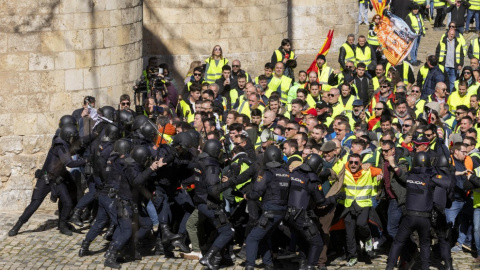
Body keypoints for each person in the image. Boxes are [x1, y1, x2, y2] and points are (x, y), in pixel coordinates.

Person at [8, 124, 86, 237]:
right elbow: (69, 163)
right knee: (34, 204)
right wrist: (85, 161)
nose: (73, 140)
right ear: (67, 136)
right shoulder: (60, 146)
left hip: (57, 180)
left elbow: (75, 148)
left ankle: (62, 225)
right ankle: (17, 226)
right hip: (45, 179)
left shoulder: (64, 145)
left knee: (68, 203)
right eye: (72, 137)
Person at [386, 152, 450, 270]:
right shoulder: (430, 178)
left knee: (398, 242)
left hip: (409, 216)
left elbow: (400, 173)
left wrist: (393, 165)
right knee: (425, 244)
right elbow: (446, 182)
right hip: (424, 218)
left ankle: (389, 266)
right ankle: (425, 267)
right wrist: (434, 173)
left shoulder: (409, 176)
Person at [243, 146, 290, 270]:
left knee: (252, 238)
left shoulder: (266, 172)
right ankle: (268, 264)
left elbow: (256, 192)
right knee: (263, 236)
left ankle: (249, 266)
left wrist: (247, 195)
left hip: (269, 212)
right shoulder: (286, 173)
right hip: (282, 211)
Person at [285, 154, 326, 269]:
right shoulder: (313, 179)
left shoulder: (294, 173)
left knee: (304, 238)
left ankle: (302, 264)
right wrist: (336, 197)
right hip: (300, 215)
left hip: (288, 214)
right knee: (317, 243)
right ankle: (310, 266)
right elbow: (321, 201)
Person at [341, 154, 383, 266]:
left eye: (356, 162)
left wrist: (380, 175)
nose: (353, 165)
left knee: (361, 224)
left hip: (364, 204)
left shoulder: (367, 170)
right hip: (349, 205)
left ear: (361, 163)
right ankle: (352, 257)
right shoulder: (344, 170)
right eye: (351, 162)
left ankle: (368, 238)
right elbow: (334, 172)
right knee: (349, 234)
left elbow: (380, 171)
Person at [436, 28, 465, 93]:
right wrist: (438, 61)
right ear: (448, 33)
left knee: (452, 82)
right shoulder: (443, 41)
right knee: (443, 81)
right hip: (444, 65)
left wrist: (460, 64)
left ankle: (450, 95)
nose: (451, 36)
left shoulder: (458, 42)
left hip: (453, 66)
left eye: (453, 34)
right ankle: (442, 94)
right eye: (450, 34)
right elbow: (437, 52)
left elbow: (461, 54)